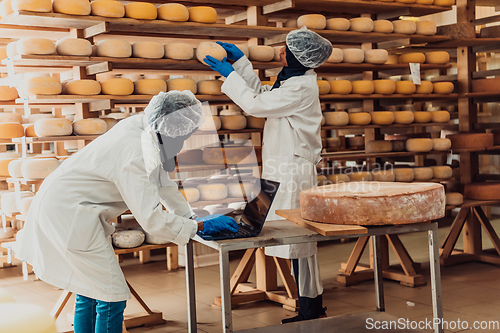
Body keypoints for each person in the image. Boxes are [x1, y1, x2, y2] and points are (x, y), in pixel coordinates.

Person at [15, 90, 238, 333]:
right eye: (184, 136)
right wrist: (200, 226)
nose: (183, 143)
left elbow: (162, 183)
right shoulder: (136, 153)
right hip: (69, 216)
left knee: (88, 290)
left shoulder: (144, 127)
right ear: (170, 129)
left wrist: (189, 217)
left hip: (63, 207)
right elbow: (152, 220)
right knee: (112, 294)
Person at [204, 27, 333, 324]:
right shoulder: (292, 82)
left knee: (300, 240)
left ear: (299, 57)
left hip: (293, 169)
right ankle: (309, 306)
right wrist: (240, 66)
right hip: (281, 166)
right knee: (296, 241)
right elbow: (263, 96)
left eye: (285, 49)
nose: (280, 52)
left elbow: (255, 105)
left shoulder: (301, 87)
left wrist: (229, 75)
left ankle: (310, 308)